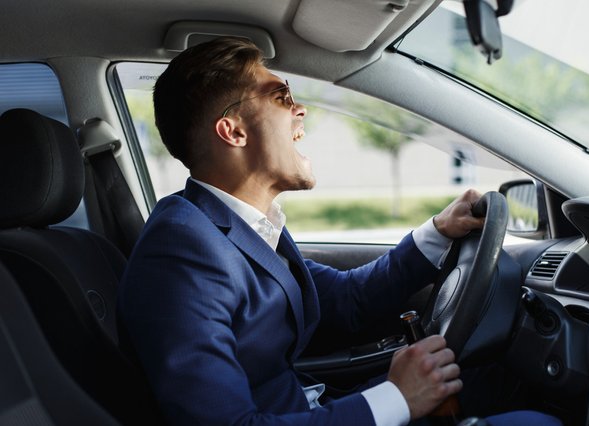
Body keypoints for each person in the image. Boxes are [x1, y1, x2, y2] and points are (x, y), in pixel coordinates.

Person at [117, 37, 561, 426]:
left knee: (498, 378)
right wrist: (397, 399)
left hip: (308, 404)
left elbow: (346, 302)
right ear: (232, 131)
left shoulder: (242, 225)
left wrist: (439, 232)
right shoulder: (181, 250)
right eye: (280, 95)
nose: (300, 108)